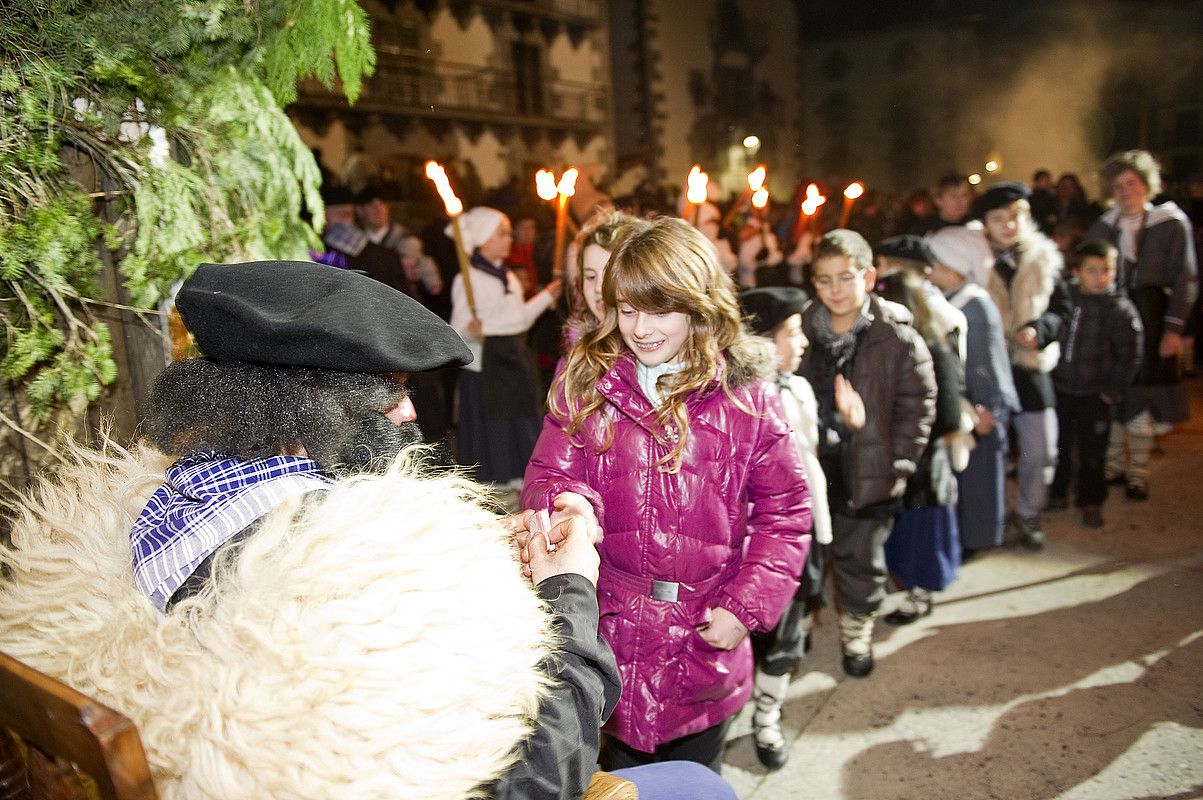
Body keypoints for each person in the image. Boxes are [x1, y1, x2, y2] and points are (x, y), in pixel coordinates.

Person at [0, 260, 740, 800]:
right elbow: (539, 777)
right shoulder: (354, 567)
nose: (411, 415)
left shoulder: (167, 499)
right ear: (307, 410)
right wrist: (569, 590)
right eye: (388, 396)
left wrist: (474, 560)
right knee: (701, 788)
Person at [521, 216, 812, 773]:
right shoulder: (588, 382)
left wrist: (744, 608)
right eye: (627, 310)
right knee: (618, 782)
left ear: (698, 304)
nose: (641, 328)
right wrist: (569, 503)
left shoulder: (746, 398)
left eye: (660, 310)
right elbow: (546, 476)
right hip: (611, 633)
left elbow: (785, 514)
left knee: (696, 782)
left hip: (703, 638)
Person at [797, 229, 936, 677]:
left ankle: (857, 630)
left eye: (845, 278)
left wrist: (899, 463)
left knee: (861, 560)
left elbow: (919, 406)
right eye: (824, 280)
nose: (835, 290)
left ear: (870, 277)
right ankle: (797, 630)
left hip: (869, 470)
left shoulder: (896, 338)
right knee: (807, 559)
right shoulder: (801, 332)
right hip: (812, 467)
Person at [738, 287, 832, 771]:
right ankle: (738, 704)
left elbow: (812, 455)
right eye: (792, 332)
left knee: (790, 630)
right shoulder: (743, 401)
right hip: (759, 539)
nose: (804, 342)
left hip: (804, 528)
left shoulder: (800, 386)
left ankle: (767, 716)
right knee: (756, 631)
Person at [1086, 150, 1199, 500]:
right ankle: (1113, 466)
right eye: (1118, 186)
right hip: (1113, 322)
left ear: (1146, 185)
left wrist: (1173, 329)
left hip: (1153, 320)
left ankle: (1138, 473)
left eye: (1131, 183)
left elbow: (1186, 278)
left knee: (1145, 398)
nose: (1125, 191)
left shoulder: (1170, 222)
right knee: (1115, 394)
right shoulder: (1104, 226)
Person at [976, 182, 1071, 549]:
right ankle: (994, 517)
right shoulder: (975, 261)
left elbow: (1062, 310)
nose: (1008, 225)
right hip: (990, 369)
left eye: (1015, 216)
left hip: (1032, 367)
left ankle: (1029, 512)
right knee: (991, 451)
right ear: (985, 224)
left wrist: (1040, 329)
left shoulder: (1045, 258)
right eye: (999, 218)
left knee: (1042, 448)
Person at [447, 207, 562, 493]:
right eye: (502, 234)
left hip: (513, 356)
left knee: (521, 418)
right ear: (484, 238)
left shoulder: (508, 277)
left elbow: (519, 319)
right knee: (494, 424)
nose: (509, 239)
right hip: (488, 362)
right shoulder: (467, 279)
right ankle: (495, 482)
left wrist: (546, 296)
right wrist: (468, 332)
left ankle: (522, 478)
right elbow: (454, 331)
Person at [875, 270, 967, 624]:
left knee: (922, 533)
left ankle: (921, 593)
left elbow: (949, 416)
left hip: (924, 464)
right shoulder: (881, 350)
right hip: (893, 460)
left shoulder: (932, 346)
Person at [926, 226, 1021, 557]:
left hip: (981, 407)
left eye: (934, 262)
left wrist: (985, 408)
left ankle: (977, 539)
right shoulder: (953, 299)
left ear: (954, 265)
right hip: (969, 405)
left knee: (979, 478)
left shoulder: (974, 305)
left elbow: (982, 364)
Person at [1049, 240, 1143, 528]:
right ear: (1076, 272)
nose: (1101, 277)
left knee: (1093, 452)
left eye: (1107, 270)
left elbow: (1131, 353)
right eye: (1092, 271)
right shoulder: (1064, 299)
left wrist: (1113, 390)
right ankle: (1058, 492)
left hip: (1095, 393)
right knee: (1059, 445)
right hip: (1061, 388)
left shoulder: (1120, 309)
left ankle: (1091, 500)